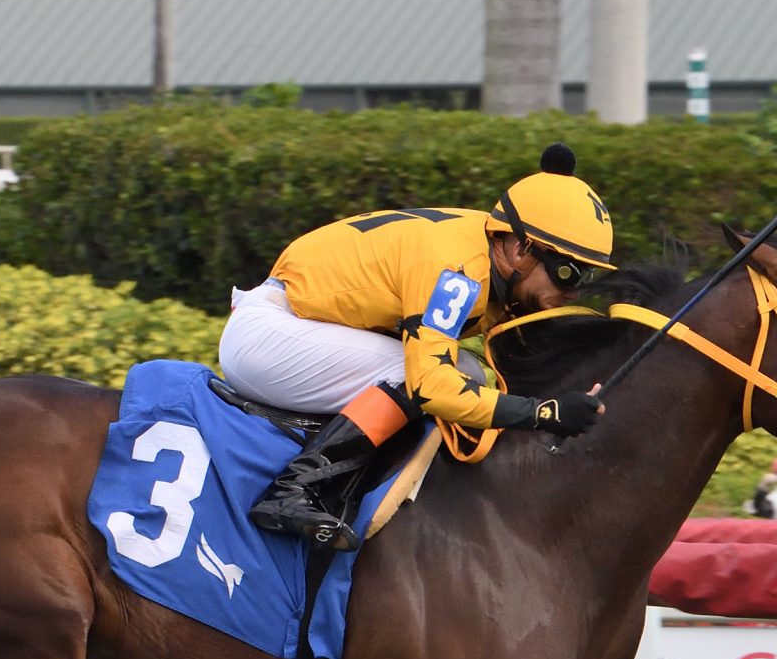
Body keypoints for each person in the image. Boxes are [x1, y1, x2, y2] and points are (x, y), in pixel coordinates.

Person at [223, 143, 614, 549]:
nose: (573, 291)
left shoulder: (487, 253)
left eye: (586, 276)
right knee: (422, 375)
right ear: (520, 249)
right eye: (567, 273)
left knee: (466, 370)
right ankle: (293, 487)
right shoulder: (458, 273)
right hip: (269, 336)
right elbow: (432, 387)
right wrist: (542, 413)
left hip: (301, 327)